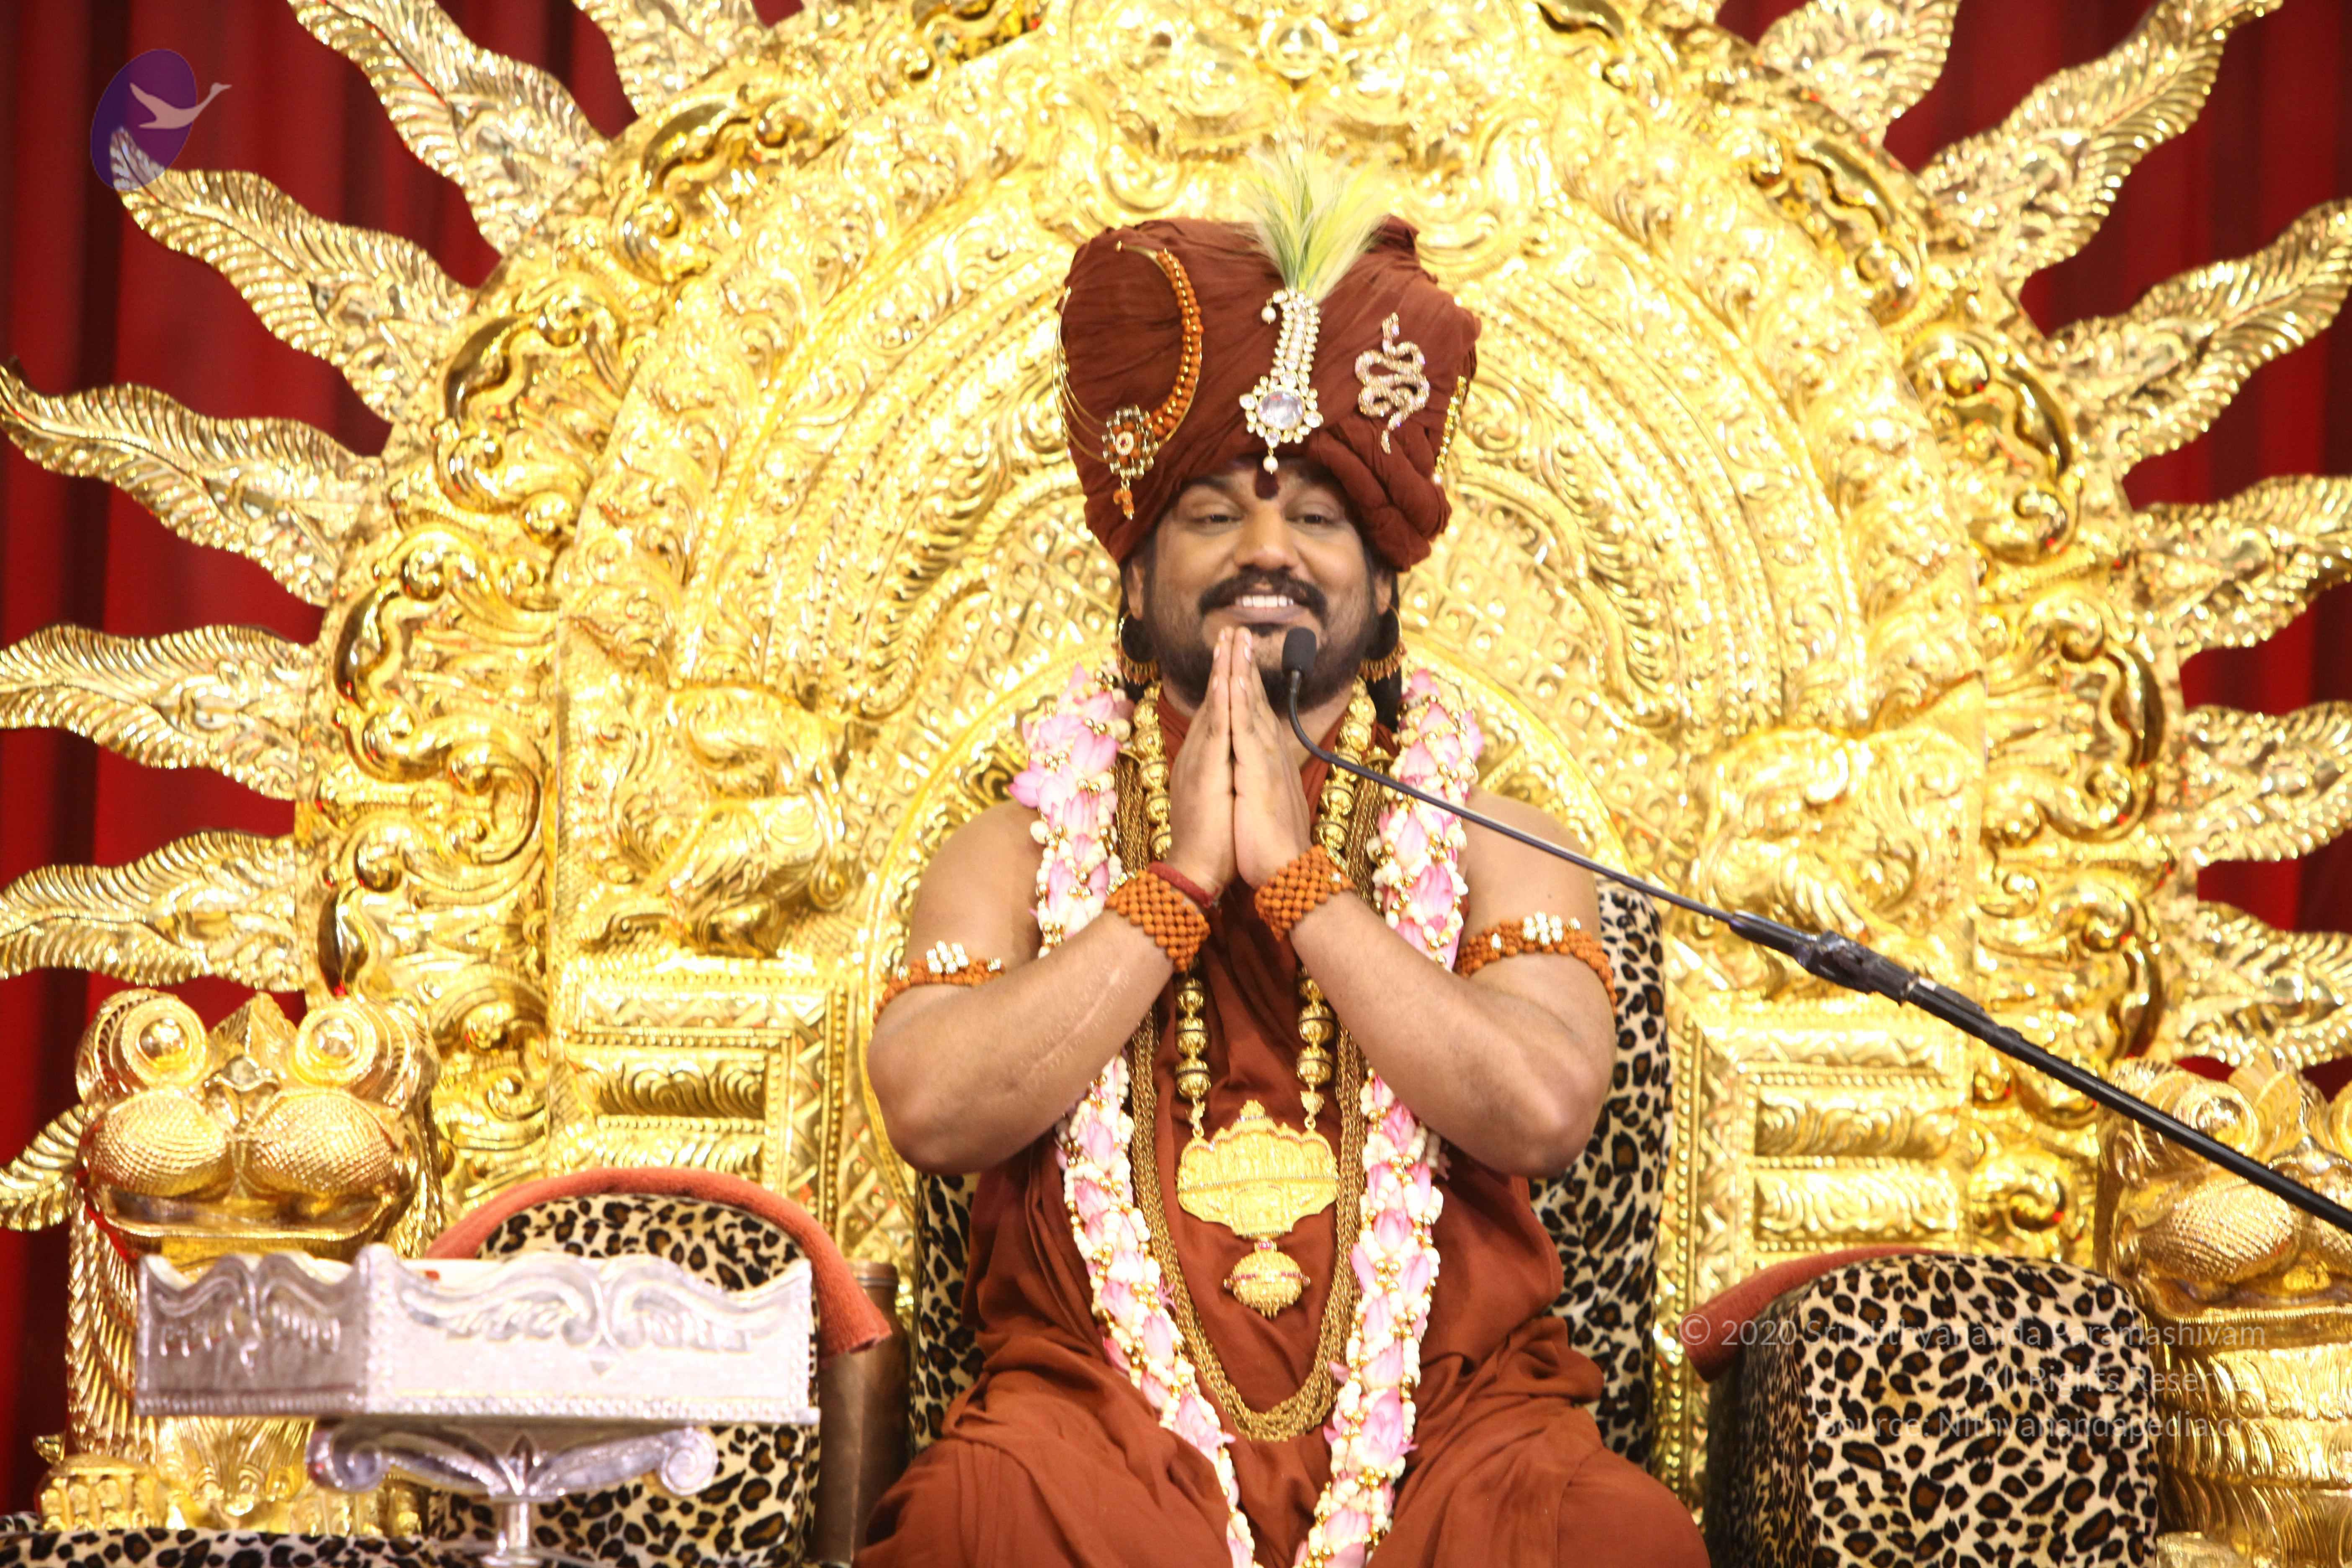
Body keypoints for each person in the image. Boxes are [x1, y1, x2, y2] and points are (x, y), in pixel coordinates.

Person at [860, 163, 1707, 1568]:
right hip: (1095, 1432)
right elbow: (934, 1110)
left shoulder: (1496, 840)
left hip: (1452, 1435)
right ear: (1137, 578)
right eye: (1212, 516)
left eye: (1318, 518)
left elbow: (1544, 1110)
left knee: (1618, 1541)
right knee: (972, 1522)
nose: (1268, 550)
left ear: (1383, 590)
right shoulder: (1014, 847)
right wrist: (1179, 886)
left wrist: (1305, 887)